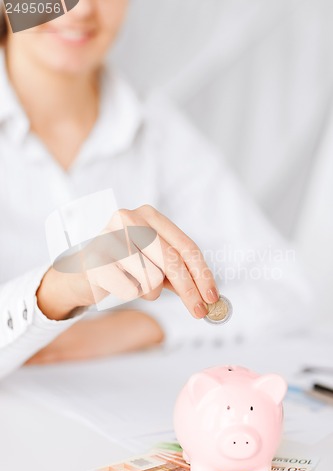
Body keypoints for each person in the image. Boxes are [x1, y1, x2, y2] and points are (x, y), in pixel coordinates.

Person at [0, 0, 311, 379]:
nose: (80, 12)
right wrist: (57, 292)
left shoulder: (158, 130)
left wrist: (141, 326)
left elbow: (288, 288)